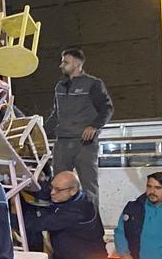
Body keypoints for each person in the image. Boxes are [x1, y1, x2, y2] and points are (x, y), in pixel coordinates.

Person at [44, 48, 113, 209]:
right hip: (62, 142)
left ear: (77, 64)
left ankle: (93, 227)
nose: (61, 65)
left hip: (85, 143)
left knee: (89, 186)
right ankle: (61, 223)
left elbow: (107, 108)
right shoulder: (60, 86)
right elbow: (55, 115)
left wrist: (94, 126)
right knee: (58, 185)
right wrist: (39, 133)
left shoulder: (93, 84)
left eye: (65, 62)